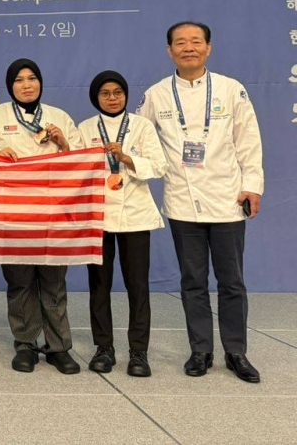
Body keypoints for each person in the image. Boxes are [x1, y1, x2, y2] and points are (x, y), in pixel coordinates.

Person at [138, 21, 263, 383]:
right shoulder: (156, 94)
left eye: (196, 41)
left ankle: (236, 352)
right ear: (169, 51)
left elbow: (249, 141)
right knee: (192, 280)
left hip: (227, 198)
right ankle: (201, 351)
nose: (188, 48)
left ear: (209, 48)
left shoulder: (231, 89)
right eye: (180, 43)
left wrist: (252, 186)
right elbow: (138, 137)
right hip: (182, 200)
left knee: (232, 281)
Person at [0, 58, 83, 375]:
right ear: (10, 86)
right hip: (13, 214)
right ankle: (25, 345)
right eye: (19, 80)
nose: (27, 85)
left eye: (32, 78)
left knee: (54, 283)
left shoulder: (59, 117)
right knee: (20, 281)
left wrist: (64, 144)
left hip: (53, 214)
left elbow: (81, 162)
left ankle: (58, 347)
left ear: (40, 82)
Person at [77, 70, 167, 377]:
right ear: (96, 98)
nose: (112, 98)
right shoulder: (86, 128)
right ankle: (104, 348)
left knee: (137, 286)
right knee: (99, 286)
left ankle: (139, 352)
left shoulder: (141, 125)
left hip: (135, 215)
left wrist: (126, 158)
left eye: (118, 92)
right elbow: (75, 167)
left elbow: (159, 166)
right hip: (98, 216)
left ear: (126, 95)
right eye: (105, 93)